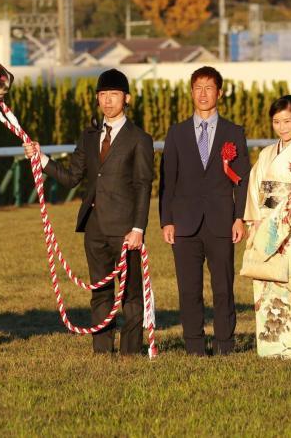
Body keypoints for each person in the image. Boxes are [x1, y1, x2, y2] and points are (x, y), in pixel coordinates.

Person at [23, 69, 154, 356]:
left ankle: (131, 352)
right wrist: (41, 158)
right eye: (102, 95)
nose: (107, 101)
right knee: (100, 292)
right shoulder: (89, 135)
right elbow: (72, 177)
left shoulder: (139, 139)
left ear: (127, 98)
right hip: (94, 228)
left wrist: (138, 229)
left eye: (114, 95)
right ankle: (102, 351)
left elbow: (144, 186)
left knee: (131, 294)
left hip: (126, 230)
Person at [159, 66, 250, 356]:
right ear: (191, 92)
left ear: (219, 93)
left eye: (209, 88)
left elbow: (242, 179)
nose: (203, 94)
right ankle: (194, 345)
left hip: (222, 222)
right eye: (198, 88)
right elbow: (167, 179)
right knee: (189, 289)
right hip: (184, 223)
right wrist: (166, 220)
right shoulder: (176, 133)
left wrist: (239, 217)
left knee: (223, 287)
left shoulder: (233, 132)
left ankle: (224, 344)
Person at [243, 95, 291, 359]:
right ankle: (270, 345)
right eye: (277, 121)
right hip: (264, 224)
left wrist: (285, 225)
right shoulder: (266, 154)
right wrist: (256, 222)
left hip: (290, 230)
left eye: (287, 121)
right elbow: (254, 189)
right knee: (266, 284)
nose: (282, 127)